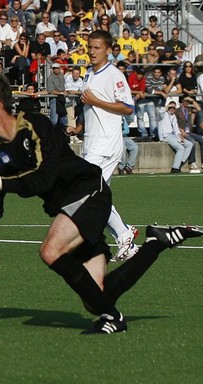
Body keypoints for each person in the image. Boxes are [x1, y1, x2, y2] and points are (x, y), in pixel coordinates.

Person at [0, 71, 203, 334]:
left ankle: (114, 318)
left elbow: (43, 178)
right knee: (95, 297)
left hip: (87, 190)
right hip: (68, 206)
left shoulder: (35, 124)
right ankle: (156, 243)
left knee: (51, 251)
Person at [65, 30, 139, 262]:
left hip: (107, 144)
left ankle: (121, 234)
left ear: (108, 50)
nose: (92, 51)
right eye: (90, 47)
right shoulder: (89, 74)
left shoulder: (114, 74)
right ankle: (125, 236)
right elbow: (90, 109)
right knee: (94, 195)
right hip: (92, 142)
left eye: (97, 47)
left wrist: (97, 101)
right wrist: (79, 128)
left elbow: (128, 107)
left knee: (85, 192)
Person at [159, 100, 198, 173]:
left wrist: (180, 137)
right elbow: (160, 111)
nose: (172, 109)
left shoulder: (173, 116)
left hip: (174, 136)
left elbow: (176, 129)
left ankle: (180, 163)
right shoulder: (163, 114)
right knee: (180, 148)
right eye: (171, 108)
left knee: (189, 144)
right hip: (166, 135)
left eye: (174, 108)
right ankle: (175, 168)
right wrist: (169, 106)